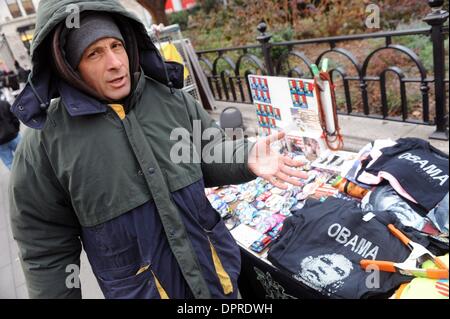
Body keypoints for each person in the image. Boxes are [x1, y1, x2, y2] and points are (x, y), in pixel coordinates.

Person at [9, 0, 308, 299]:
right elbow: (45, 249)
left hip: (217, 282)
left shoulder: (171, 100)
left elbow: (208, 151)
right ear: (69, 66)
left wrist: (245, 156)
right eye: (94, 53)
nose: (114, 62)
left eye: (116, 45)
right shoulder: (45, 142)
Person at [0, 99, 20, 170]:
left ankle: (20, 178)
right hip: (13, 135)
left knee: (10, 163)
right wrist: (16, 130)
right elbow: (14, 117)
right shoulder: (4, 103)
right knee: (26, 154)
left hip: (1, 144)